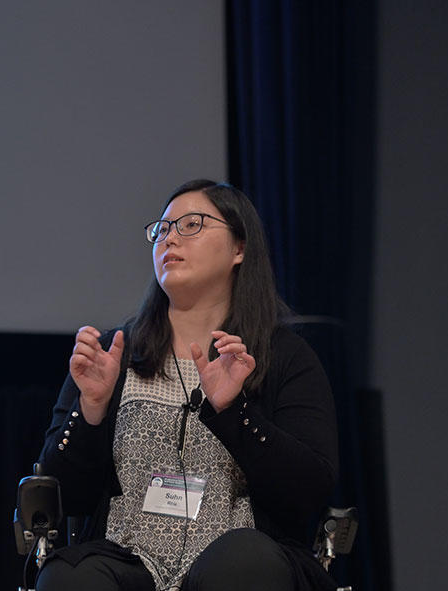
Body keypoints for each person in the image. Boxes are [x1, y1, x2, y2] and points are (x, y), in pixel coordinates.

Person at [36, 180, 338, 591]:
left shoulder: (284, 356)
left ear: (239, 249)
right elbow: (62, 497)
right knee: (69, 576)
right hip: (128, 560)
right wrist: (91, 410)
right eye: (162, 229)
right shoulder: (114, 354)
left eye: (191, 224)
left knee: (242, 566)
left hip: (238, 560)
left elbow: (308, 491)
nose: (170, 236)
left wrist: (236, 414)